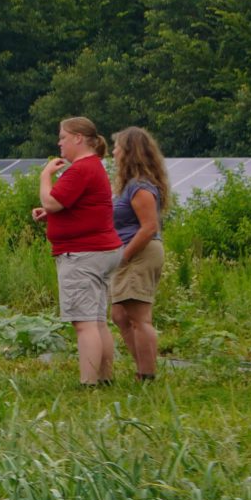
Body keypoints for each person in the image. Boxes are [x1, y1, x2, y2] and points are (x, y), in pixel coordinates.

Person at [33, 116, 122, 386]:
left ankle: (88, 383)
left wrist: (45, 175)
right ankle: (104, 378)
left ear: (78, 138)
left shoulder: (80, 169)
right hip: (101, 250)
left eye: (62, 137)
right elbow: (82, 208)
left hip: (83, 254)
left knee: (84, 324)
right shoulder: (94, 168)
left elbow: (52, 200)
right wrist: (52, 216)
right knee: (96, 320)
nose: (59, 142)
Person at [108, 125, 169, 382]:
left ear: (129, 151)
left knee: (138, 317)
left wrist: (125, 255)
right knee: (120, 314)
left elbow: (149, 227)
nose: (113, 152)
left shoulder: (140, 186)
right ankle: (142, 368)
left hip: (139, 253)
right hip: (131, 252)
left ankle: (146, 374)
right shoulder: (129, 185)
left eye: (117, 147)